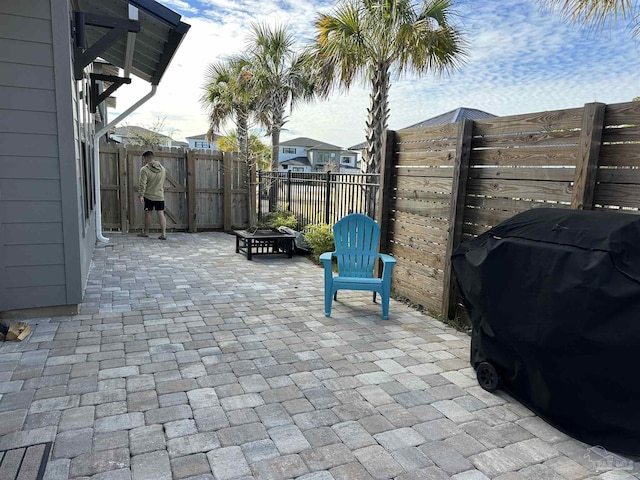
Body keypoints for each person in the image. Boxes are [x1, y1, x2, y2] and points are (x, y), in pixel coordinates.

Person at [137, 150, 167, 240]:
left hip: (149, 195)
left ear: (146, 158)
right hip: (160, 195)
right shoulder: (162, 169)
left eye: (144, 159)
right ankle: (163, 234)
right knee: (161, 214)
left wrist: (141, 195)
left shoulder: (144, 170)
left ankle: (146, 232)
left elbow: (142, 183)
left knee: (148, 213)